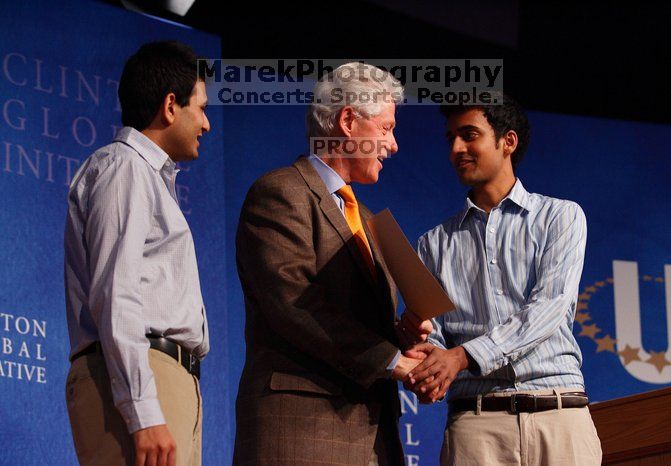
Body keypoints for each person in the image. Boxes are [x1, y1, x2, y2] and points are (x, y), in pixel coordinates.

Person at [233, 62, 426, 466]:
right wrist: (394, 363)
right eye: (387, 129)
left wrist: (403, 337)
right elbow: (296, 302)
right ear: (349, 121)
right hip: (302, 434)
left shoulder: (369, 220)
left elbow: (356, 319)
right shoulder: (281, 192)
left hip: (374, 438)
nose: (394, 146)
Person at [403, 95, 603, 465]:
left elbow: (548, 308)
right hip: (475, 426)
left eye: (469, 135)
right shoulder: (432, 244)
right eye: (451, 139)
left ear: (507, 141)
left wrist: (462, 357)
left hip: (558, 416)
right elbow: (433, 336)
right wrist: (428, 364)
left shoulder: (561, 217)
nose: (457, 149)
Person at [64, 41, 211, 466]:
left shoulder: (142, 176)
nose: (206, 123)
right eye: (200, 108)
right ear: (170, 105)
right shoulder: (124, 167)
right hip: (142, 378)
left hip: (165, 379)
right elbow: (116, 291)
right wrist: (144, 411)